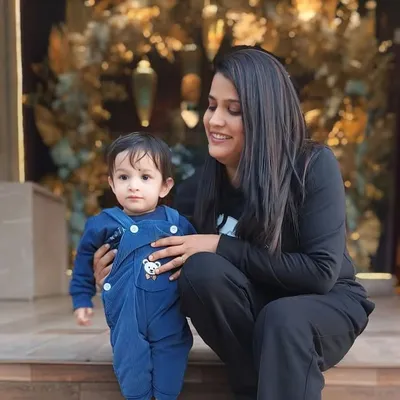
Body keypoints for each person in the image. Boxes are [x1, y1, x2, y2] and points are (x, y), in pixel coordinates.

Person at [92, 47, 375, 400]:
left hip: (322, 305)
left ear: (264, 114)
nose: (215, 120)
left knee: (281, 318)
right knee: (200, 270)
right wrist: (122, 271)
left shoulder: (311, 166)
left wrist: (219, 244)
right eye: (212, 106)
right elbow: (169, 265)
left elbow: (319, 274)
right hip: (251, 312)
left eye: (233, 110)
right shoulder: (198, 188)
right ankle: (257, 382)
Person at [69, 132, 195, 400]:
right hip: (126, 316)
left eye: (145, 177)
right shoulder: (103, 224)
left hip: (169, 314)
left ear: (164, 186)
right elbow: (83, 262)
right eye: (124, 177)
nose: (133, 186)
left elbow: (196, 260)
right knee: (131, 367)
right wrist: (81, 298)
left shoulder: (178, 223)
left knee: (171, 366)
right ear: (112, 184)